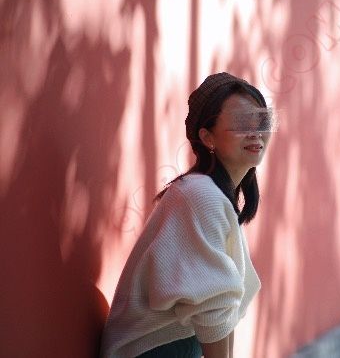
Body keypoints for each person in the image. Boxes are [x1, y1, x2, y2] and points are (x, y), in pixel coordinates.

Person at [100, 72, 276, 357]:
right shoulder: (200, 194)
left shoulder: (212, 193)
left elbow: (223, 306)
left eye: (261, 121)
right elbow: (213, 307)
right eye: (241, 123)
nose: (255, 132)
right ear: (207, 137)